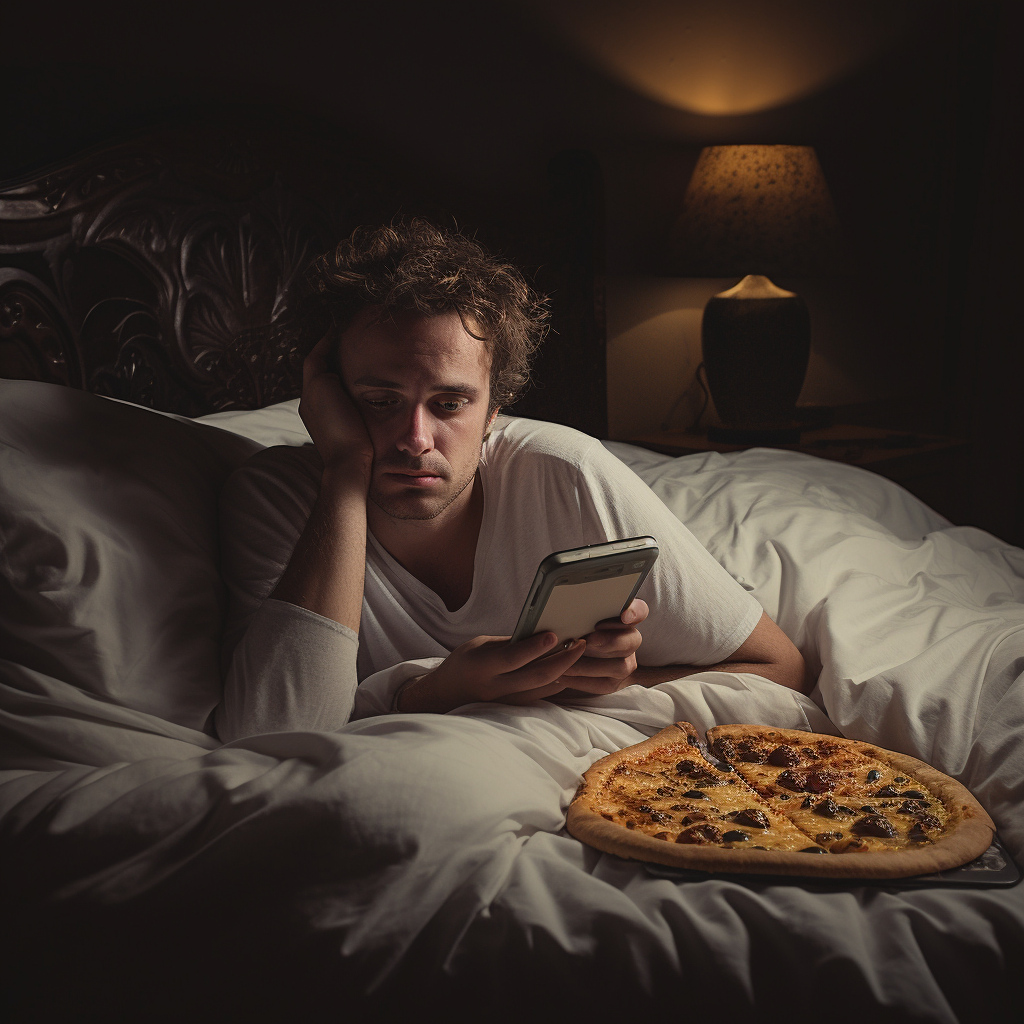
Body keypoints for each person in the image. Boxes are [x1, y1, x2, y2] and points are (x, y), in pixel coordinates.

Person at [214, 220, 806, 742]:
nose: (414, 439)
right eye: (378, 400)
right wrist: (345, 470)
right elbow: (272, 736)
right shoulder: (276, 500)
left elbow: (780, 668)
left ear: (494, 411)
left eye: (448, 404)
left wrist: (596, 685)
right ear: (330, 397)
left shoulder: (566, 476)